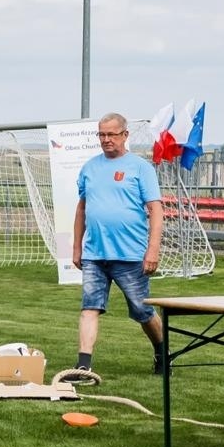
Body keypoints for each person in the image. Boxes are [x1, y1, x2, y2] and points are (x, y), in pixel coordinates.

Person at [71, 112, 165, 375]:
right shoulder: (89, 168)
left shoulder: (140, 168)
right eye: (101, 134)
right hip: (94, 254)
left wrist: (152, 250)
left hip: (130, 255)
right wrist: (77, 247)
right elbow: (82, 209)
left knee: (142, 311)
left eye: (111, 134)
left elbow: (156, 210)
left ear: (125, 135)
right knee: (89, 307)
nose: (106, 139)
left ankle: (162, 350)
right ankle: (83, 365)